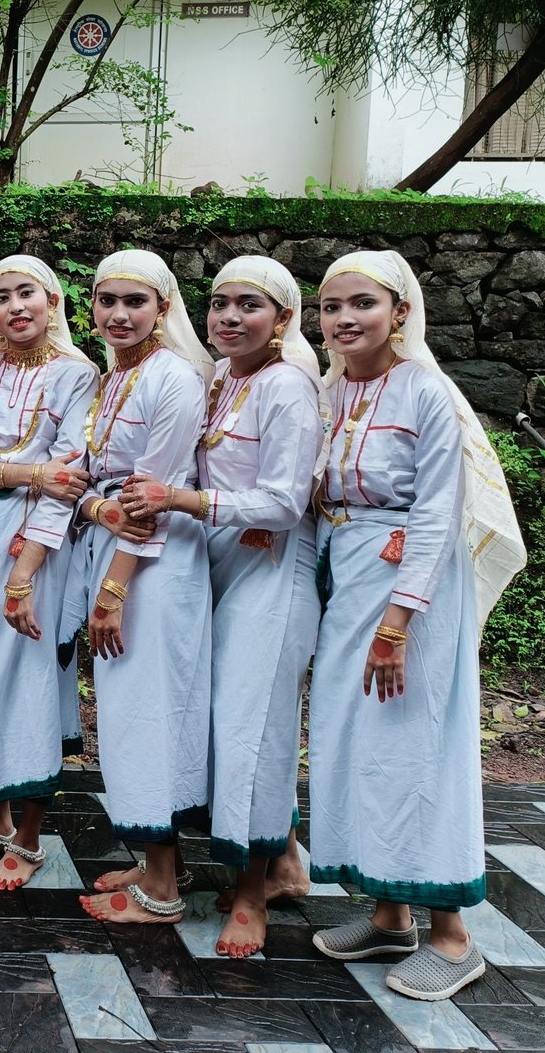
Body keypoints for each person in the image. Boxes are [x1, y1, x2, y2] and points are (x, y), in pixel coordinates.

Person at [307, 248, 524, 1001]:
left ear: (401, 311)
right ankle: (389, 913)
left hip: (414, 589)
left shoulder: (427, 393)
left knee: (416, 744)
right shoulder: (331, 392)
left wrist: (398, 623)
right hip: (351, 578)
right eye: (332, 306)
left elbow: (435, 514)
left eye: (362, 303)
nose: (344, 319)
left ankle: (453, 938)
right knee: (357, 741)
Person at [104, 255, 324, 954]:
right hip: (222, 563)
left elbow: (285, 502)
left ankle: (252, 895)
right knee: (225, 720)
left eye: (248, 306)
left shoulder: (287, 385)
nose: (230, 317)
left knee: (251, 728)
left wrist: (180, 499)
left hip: (273, 569)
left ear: (283, 319)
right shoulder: (225, 377)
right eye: (220, 304)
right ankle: (284, 863)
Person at [0, 256, 97, 888]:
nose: (15, 307)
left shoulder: (77, 374)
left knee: (30, 682)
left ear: (53, 300)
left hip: (38, 546)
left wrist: (24, 572)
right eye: (1, 297)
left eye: (26, 292)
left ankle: (29, 838)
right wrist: (26, 473)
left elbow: (70, 478)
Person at [69, 249, 214, 926]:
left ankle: (160, 890)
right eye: (108, 301)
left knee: (152, 711)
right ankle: (163, 859)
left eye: (135, 302)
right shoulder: (113, 376)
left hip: (154, 568)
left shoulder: (174, 378)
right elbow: (93, 478)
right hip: (119, 554)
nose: (119, 314)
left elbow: (153, 494)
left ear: (164, 308)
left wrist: (113, 591)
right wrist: (93, 505)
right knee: (128, 711)